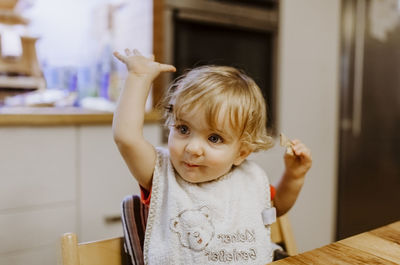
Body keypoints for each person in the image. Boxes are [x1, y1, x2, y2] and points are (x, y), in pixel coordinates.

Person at [112, 48, 312, 264]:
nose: (193, 148)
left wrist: (294, 176)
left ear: (241, 153)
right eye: (183, 129)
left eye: (214, 138)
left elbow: (278, 205)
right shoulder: (160, 172)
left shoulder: (249, 180)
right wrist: (138, 77)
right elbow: (127, 137)